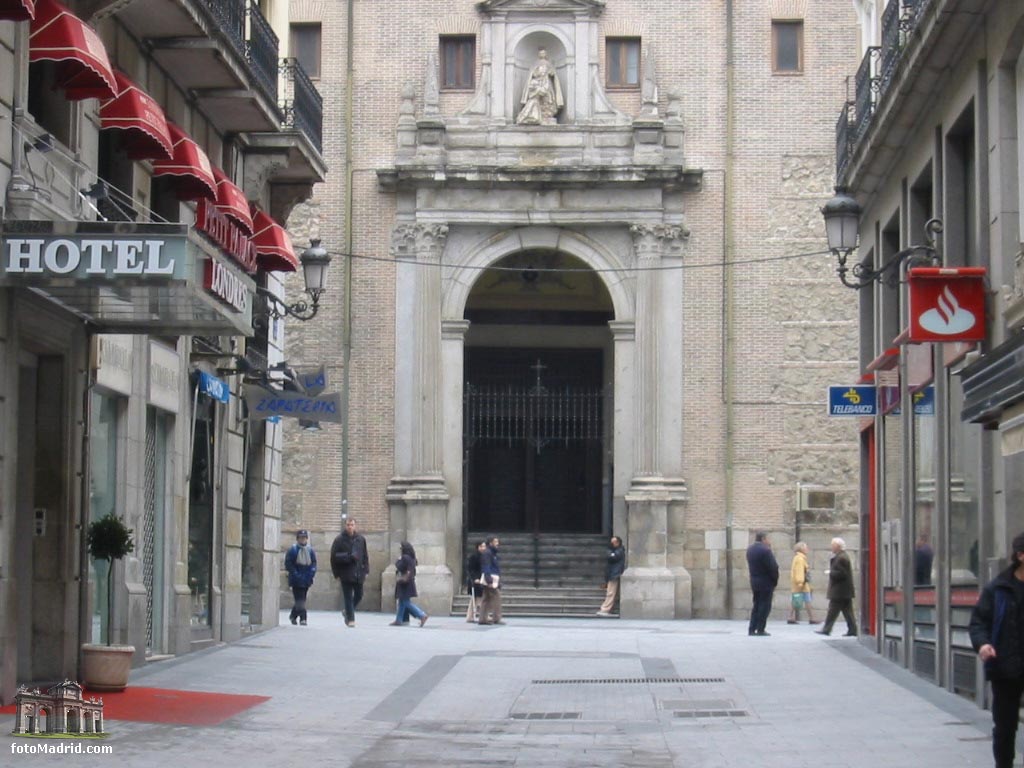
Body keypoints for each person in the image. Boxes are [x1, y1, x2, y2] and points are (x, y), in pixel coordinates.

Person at [970, 532, 1024, 768]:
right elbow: (978, 622)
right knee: (1005, 727)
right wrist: (983, 644)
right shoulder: (998, 588)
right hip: (1006, 667)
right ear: (1020, 556)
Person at [330, 517, 369, 628]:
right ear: (345, 525)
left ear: (355, 526)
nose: (350, 527)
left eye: (352, 525)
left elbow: (365, 556)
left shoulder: (361, 539)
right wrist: (336, 573)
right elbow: (333, 557)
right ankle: (351, 619)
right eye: (348, 525)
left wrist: (366, 570)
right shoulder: (339, 540)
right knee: (347, 596)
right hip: (345, 572)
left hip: (358, 573)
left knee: (359, 595)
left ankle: (347, 610)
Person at [816, 537, 858, 637]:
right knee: (847, 611)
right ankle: (853, 629)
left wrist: (831, 573)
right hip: (844, 591)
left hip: (840, 591)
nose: (831, 547)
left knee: (833, 610)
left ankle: (827, 629)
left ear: (838, 546)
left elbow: (842, 574)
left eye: (833, 545)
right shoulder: (842, 556)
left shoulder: (841, 558)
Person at [516, 48, 563, 125]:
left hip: (547, 83)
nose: (542, 54)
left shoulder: (548, 64)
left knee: (549, 98)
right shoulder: (535, 65)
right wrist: (537, 76)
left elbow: (553, 73)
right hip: (538, 83)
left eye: (543, 53)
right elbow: (532, 74)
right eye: (541, 53)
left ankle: (547, 115)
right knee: (537, 99)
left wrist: (551, 72)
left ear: (546, 54)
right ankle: (538, 115)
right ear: (539, 55)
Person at [746, 531, 779, 636]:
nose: (769, 541)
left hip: (754, 581)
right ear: (763, 539)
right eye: (767, 539)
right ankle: (760, 628)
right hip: (766, 582)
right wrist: (775, 580)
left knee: (756, 605)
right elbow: (773, 567)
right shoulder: (766, 551)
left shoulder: (750, 550)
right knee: (764, 606)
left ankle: (752, 628)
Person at [390, 542, 428, 627]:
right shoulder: (412, 558)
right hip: (409, 582)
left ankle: (422, 615)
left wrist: (398, 560)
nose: (400, 550)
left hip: (404, 582)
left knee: (405, 602)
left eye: (401, 548)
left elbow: (399, 566)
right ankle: (399, 620)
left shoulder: (404, 557)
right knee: (402, 601)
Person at [284, 529, 316, 626]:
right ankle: (303, 618)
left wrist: (312, 573)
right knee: (300, 599)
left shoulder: (310, 550)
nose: (303, 540)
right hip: (296, 580)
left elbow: (313, 563)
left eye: (304, 538)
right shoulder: (293, 550)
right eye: (301, 538)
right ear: (297, 539)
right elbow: (288, 564)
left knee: (302, 599)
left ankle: (293, 615)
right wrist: (295, 573)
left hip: (306, 579)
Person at [787, 541, 818, 625]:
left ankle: (790, 617)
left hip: (799, 584)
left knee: (795, 600)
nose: (807, 549)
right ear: (801, 549)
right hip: (802, 584)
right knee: (807, 600)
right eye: (805, 547)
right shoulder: (800, 559)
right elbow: (800, 571)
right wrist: (800, 582)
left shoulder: (798, 558)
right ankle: (811, 618)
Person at [597, 536, 625, 617]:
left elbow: (613, 557)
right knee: (612, 592)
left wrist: (610, 553)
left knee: (610, 592)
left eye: (614, 542)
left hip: (614, 574)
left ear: (618, 543)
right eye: (612, 542)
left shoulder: (619, 551)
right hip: (612, 573)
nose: (612, 544)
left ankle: (605, 609)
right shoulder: (616, 550)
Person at [478, 536, 504, 625]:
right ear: (490, 543)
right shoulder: (488, 553)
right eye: (495, 542)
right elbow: (486, 566)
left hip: (491, 577)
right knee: (496, 597)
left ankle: (482, 619)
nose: (497, 544)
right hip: (491, 578)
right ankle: (496, 618)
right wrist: (489, 580)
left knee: (486, 598)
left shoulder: (491, 553)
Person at [465, 540, 486, 623]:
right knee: (476, 599)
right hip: (476, 581)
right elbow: (471, 569)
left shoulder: (484, 556)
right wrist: (475, 578)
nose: (484, 548)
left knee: (479, 599)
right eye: (482, 546)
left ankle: (478, 615)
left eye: (484, 546)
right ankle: (471, 616)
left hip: (482, 579)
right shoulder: (474, 557)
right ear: (478, 547)